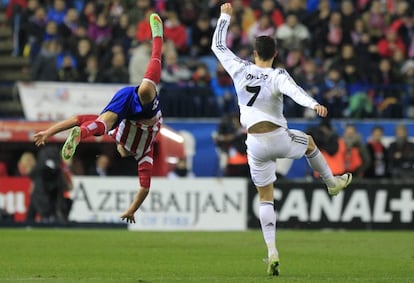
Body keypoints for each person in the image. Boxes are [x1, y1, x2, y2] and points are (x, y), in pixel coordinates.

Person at [211, 3, 353, 276]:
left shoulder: (239, 69)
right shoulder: (278, 75)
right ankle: (332, 183)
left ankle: (271, 250)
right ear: (275, 55)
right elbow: (295, 92)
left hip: (253, 143)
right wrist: (314, 105)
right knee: (309, 141)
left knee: (266, 198)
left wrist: (224, 17)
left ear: (254, 54)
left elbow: (218, 46)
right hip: (278, 137)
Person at [33, 13, 164, 224]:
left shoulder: (123, 139)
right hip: (142, 111)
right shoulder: (144, 153)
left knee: (105, 123)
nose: (120, 151)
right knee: (145, 89)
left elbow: (77, 119)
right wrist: (132, 209)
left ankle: (83, 134)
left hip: (128, 107)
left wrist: (50, 132)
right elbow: (144, 189)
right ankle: (158, 40)